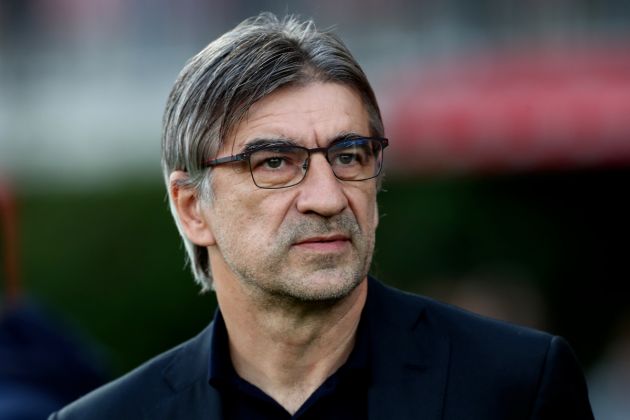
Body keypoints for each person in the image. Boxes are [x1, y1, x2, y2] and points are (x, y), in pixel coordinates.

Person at [49, 12, 594, 419]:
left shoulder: (516, 386)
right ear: (193, 209)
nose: (328, 197)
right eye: (276, 162)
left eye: (349, 156)